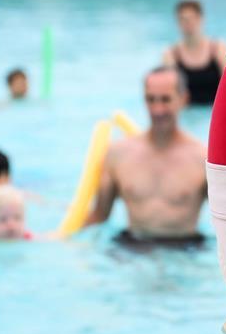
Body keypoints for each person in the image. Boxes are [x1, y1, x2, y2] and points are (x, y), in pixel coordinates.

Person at [84, 67, 208, 247]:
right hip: (132, 247)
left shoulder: (202, 159)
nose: (157, 110)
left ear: (184, 99)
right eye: (151, 99)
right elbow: (99, 216)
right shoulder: (118, 154)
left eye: (165, 100)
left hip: (184, 249)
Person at [161, 0, 226, 106]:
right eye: (183, 19)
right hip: (187, 111)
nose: (188, 24)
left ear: (201, 19)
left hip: (213, 109)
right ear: (177, 22)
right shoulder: (171, 54)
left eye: (192, 18)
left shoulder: (218, 49)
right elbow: (169, 94)